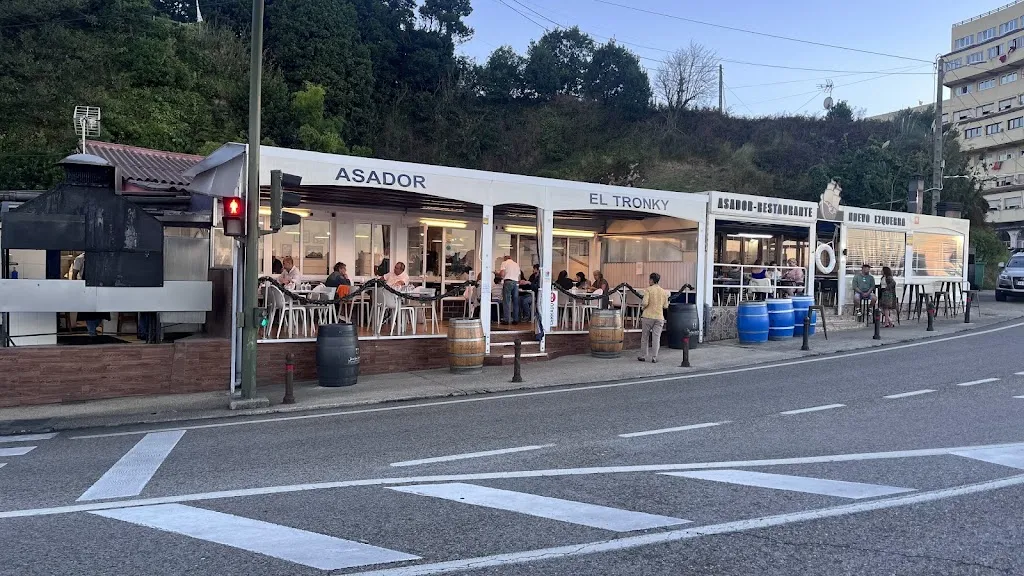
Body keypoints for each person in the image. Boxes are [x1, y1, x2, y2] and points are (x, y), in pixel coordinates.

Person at [638, 272, 669, 363]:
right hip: (659, 317)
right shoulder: (663, 292)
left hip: (648, 316)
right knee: (656, 338)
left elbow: (645, 303)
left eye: (649, 279)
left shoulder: (648, 290)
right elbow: (665, 306)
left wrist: (643, 308)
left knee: (645, 337)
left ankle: (643, 355)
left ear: (651, 280)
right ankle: (654, 357)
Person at [499, 255, 522, 324]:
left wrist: (497, 273)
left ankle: (507, 319)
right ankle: (515, 319)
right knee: (515, 302)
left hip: (508, 282)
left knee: (506, 301)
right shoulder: (516, 264)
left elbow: (502, 274)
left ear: (505, 259)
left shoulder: (504, 263)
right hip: (516, 283)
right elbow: (519, 276)